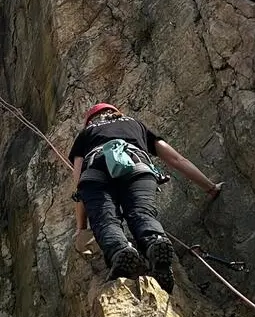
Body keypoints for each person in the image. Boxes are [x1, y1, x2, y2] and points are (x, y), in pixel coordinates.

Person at [69, 103, 221, 292]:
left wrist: (81, 228)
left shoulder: (86, 134)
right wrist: (210, 187)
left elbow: (79, 183)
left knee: (105, 220)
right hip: (136, 166)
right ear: (117, 113)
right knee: (141, 213)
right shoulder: (136, 125)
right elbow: (177, 159)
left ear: (90, 121)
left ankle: (120, 250)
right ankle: (154, 241)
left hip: (96, 172)